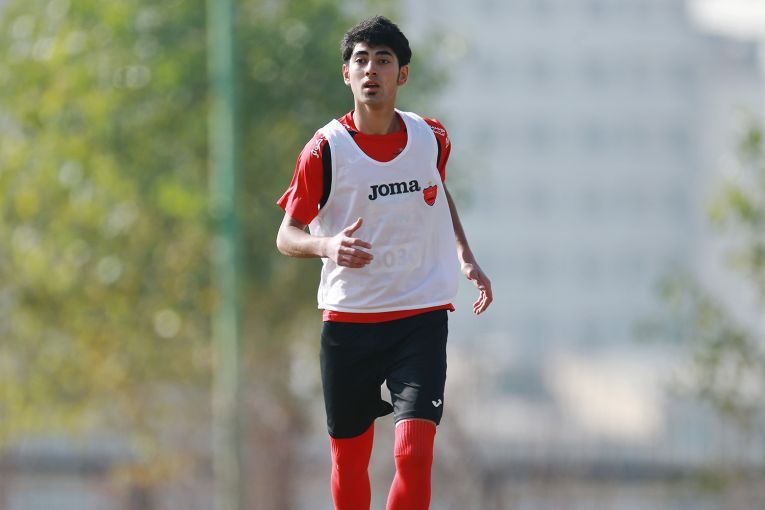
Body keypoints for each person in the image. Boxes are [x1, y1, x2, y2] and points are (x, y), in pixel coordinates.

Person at [275, 15, 492, 510]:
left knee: (413, 455)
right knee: (349, 462)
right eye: (361, 60)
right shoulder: (325, 150)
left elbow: (436, 192)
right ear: (346, 74)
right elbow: (286, 235)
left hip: (419, 317)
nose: (371, 69)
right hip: (349, 323)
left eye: (383, 60)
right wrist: (328, 246)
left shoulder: (431, 137)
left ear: (402, 74)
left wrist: (465, 256)